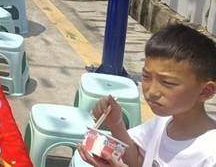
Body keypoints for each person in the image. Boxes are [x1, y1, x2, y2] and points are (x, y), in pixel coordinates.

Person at [77, 24, 216, 167]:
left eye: (167, 82)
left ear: (205, 91)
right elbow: (138, 159)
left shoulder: (210, 155)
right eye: (146, 76)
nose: (152, 91)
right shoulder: (163, 122)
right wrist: (115, 123)